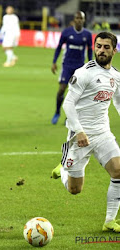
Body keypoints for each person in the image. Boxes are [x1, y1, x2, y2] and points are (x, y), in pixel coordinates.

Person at [52, 32, 120, 232]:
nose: (101, 50)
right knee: (75, 190)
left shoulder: (116, 76)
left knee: (118, 170)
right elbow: (68, 104)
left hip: (102, 134)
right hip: (78, 136)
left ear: (114, 50)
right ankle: (64, 168)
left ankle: (109, 220)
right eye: (98, 46)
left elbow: (118, 101)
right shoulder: (84, 73)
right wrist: (79, 131)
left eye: (106, 47)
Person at [51, 11, 92, 124]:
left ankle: (69, 117)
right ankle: (57, 112)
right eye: (77, 18)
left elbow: (90, 50)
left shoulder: (87, 35)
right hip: (67, 65)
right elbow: (59, 47)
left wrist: (90, 65)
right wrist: (54, 62)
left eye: (81, 18)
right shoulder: (66, 32)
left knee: (75, 94)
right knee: (61, 90)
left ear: (84, 20)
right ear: (74, 20)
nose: (79, 20)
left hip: (79, 68)